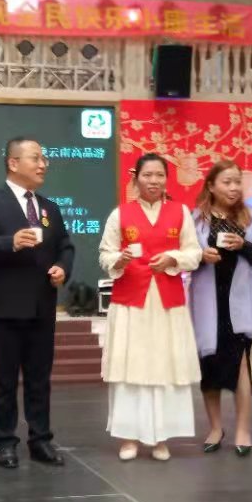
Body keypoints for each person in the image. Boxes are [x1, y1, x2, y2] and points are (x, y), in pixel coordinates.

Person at [0, 136, 74, 469]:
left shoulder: (49, 207)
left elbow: (65, 246)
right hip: (6, 305)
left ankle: (40, 439)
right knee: (4, 378)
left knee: (40, 377)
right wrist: (9, 242)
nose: (43, 164)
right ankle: (5, 441)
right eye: (36, 158)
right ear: (13, 163)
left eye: (44, 159)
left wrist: (63, 268)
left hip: (42, 304)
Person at [99, 153, 202, 461]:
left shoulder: (180, 212)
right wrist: (119, 260)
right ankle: (129, 437)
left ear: (166, 179)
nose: (153, 181)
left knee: (164, 366)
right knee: (130, 366)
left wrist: (173, 258)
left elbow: (194, 252)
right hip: (131, 303)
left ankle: (160, 438)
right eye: (147, 175)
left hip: (167, 302)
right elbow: (105, 254)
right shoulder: (120, 214)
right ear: (136, 178)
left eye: (159, 175)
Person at [189, 160, 252, 458]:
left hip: (240, 302)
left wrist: (243, 246)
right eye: (227, 182)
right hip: (206, 301)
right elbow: (185, 257)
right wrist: (201, 255)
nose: (234, 187)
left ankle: (243, 429)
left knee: (240, 364)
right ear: (211, 186)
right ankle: (215, 427)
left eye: (237, 181)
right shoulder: (195, 219)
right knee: (208, 366)